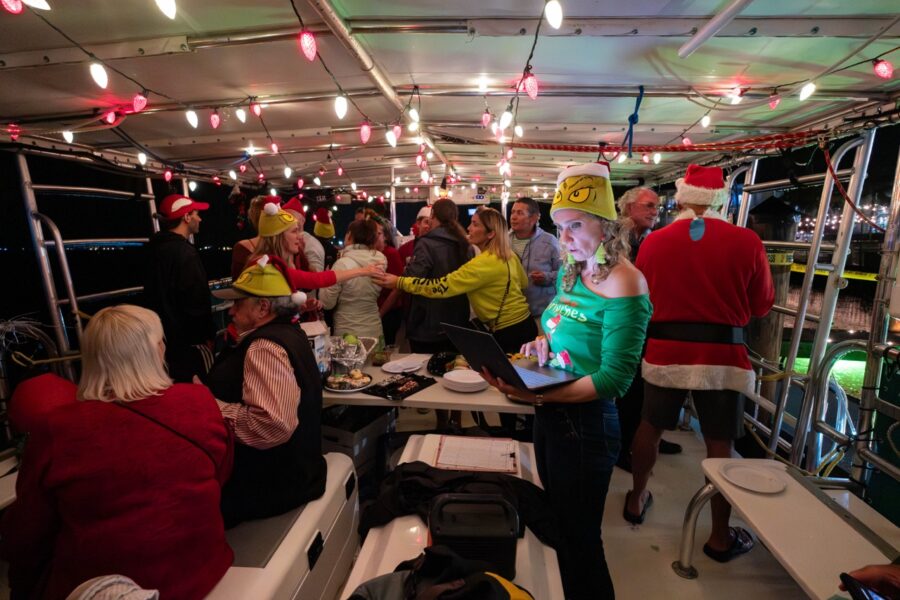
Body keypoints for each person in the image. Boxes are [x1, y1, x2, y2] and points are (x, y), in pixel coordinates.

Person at [480, 161, 651, 600]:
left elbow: (614, 379)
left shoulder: (626, 282)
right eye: (560, 227)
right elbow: (554, 328)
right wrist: (542, 350)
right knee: (558, 523)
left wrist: (531, 392)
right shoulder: (573, 271)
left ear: (607, 226)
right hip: (553, 413)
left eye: (576, 225)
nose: (567, 238)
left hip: (588, 424)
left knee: (580, 538)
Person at [1, 305, 233, 600]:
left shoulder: (57, 429)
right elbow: (220, 474)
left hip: (108, 588)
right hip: (202, 573)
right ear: (156, 351)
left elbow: (26, 535)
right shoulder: (198, 400)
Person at [626, 165, 774, 564]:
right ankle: (720, 537)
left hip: (664, 352)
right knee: (719, 442)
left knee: (650, 427)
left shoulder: (654, 242)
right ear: (722, 199)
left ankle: (637, 498)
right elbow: (762, 304)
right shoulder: (746, 242)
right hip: (722, 358)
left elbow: (641, 299)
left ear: (682, 196)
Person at [206, 255, 327, 527]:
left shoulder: (264, 348)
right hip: (300, 474)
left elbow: (271, 426)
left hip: (271, 488)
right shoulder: (291, 332)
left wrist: (209, 405)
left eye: (238, 303)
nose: (231, 311)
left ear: (263, 308)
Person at [376, 207, 536, 354]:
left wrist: (399, 282)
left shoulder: (482, 263)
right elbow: (523, 283)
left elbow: (439, 287)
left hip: (508, 331)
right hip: (525, 324)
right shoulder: (509, 255)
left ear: (490, 234)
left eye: (475, 224)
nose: (469, 228)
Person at [614, 187, 681, 471]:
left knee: (647, 386)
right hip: (625, 321)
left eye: (657, 206)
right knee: (630, 389)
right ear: (629, 208)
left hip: (650, 320)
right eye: (649, 206)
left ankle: (647, 438)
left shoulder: (651, 239)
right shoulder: (616, 238)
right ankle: (623, 446)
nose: (656, 211)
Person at [143, 193, 215, 382]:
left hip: (160, 340)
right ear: (186, 217)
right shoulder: (185, 253)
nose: (200, 218)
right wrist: (206, 336)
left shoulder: (152, 249)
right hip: (188, 343)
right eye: (196, 213)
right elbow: (196, 300)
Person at [397, 198, 473, 354]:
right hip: (458, 321)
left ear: (433, 215)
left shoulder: (426, 244)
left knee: (424, 372)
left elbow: (412, 279)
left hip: (427, 324)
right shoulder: (465, 246)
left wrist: (407, 269)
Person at [249, 204, 377, 295]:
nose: (300, 236)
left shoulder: (270, 263)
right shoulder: (271, 267)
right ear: (279, 236)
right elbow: (317, 279)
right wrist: (362, 270)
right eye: (295, 231)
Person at [319, 220, 388, 339]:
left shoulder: (342, 264)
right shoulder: (381, 261)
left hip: (348, 332)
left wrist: (325, 278)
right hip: (374, 329)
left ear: (350, 235)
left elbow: (327, 303)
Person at [507, 197, 561, 323]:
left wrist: (547, 277)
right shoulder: (504, 241)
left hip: (541, 314)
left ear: (534, 218)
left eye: (520, 213)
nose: (513, 217)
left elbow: (564, 273)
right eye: (512, 212)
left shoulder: (549, 241)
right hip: (512, 314)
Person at [283, 196, 326, 273]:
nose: (287, 220)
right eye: (284, 217)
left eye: (290, 216)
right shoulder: (288, 240)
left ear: (302, 220)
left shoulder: (311, 243)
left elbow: (317, 277)